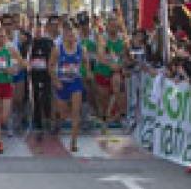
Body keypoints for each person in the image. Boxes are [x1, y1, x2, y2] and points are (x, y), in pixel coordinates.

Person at [0, 21, 25, 154]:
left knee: (5, 116)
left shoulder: (10, 49)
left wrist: (13, 69)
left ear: (5, 37)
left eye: (2, 37)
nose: (0, 39)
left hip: (7, 85)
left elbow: (21, 64)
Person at [49, 21, 87, 152]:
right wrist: (55, 80)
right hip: (62, 83)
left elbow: (86, 63)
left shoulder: (81, 49)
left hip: (75, 82)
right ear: (64, 36)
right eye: (68, 35)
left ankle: (73, 142)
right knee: (63, 113)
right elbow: (50, 66)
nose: (71, 37)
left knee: (76, 113)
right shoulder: (57, 49)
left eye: (73, 35)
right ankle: (64, 118)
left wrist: (85, 74)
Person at [94, 17, 128, 133]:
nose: (113, 28)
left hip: (116, 71)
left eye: (115, 25)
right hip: (103, 70)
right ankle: (104, 116)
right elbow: (100, 56)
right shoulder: (102, 38)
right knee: (103, 97)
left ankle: (120, 115)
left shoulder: (122, 38)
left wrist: (121, 65)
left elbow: (124, 55)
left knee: (117, 87)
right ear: (107, 26)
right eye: (111, 25)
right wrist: (111, 64)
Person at [28, 16, 53, 142]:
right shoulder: (29, 43)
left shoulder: (48, 42)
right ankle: (38, 123)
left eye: (39, 28)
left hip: (46, 74)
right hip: (34, 74)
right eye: (35, 28)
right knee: (36, 97)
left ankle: (48, 119)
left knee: (47, 97)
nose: (37, 30)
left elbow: (53, 57)